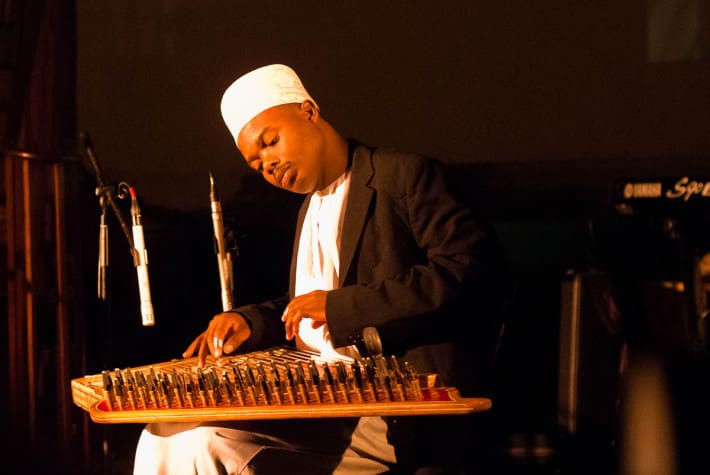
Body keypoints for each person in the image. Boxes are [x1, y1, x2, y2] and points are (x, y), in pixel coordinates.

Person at [133, 64, 509, 474]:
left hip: (389, 409)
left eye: (271, 142)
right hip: (320, 402)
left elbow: (470, 271)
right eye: (257, 164)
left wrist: (340, 307)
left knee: (198, 445)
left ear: (308, 111)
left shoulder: (402, 176)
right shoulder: (308, 209)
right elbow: (305, 307)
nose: (269, 165)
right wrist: (250, 322)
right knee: (170, 435)